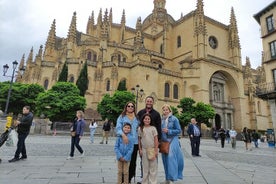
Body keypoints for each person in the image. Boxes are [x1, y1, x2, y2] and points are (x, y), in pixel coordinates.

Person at [137, 96, 161, 183]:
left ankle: (152, 181)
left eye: (151, 101)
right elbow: (137, 126)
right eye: (148, 101)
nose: (149, 102)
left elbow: (159, 128)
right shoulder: (140, 113)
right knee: (144, 163)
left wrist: (157, 144)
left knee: (153, 164)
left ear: (153, 102)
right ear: (145, 102)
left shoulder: (157, 114)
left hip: (152, 145)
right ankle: (143, 178)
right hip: (143, 145)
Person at [116, 102, 140, 183]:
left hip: (135, 142)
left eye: (132, 106)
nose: (130, 107)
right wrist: (123, 135)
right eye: (128, 106)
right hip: (124, 142)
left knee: (133, 162)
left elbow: (140, 128)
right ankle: (121, 180)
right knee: (123, 161)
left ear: (134, 108)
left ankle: (128, 179)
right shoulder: (122, 117)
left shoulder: (137, 117)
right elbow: (118, 128)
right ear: (126, 107)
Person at [161, 104, 184, 184]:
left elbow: (179, 130)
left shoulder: (174, 119)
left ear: (170, 110)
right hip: (164, 141)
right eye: (164, 110)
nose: (165, 111)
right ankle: (167, 178)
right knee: (165, 159)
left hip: (173, 139)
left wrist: (169, 131)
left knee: (171, 158)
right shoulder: (162, 120)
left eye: (167, 109)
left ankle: (172, 179)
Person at [138, 114, 158, 184]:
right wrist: (140, 149)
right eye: (145, 119)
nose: (147, 120)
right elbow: (139, 140)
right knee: (145, 167)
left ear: (150, 120)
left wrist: (156, 150)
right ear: (143, 120)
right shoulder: (140, 128)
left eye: (148, 119)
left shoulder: (153, 128)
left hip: (152, 149)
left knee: (153, 167)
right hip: (144, 149)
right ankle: (145, 181)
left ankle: (153, 182)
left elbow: (156, 140)